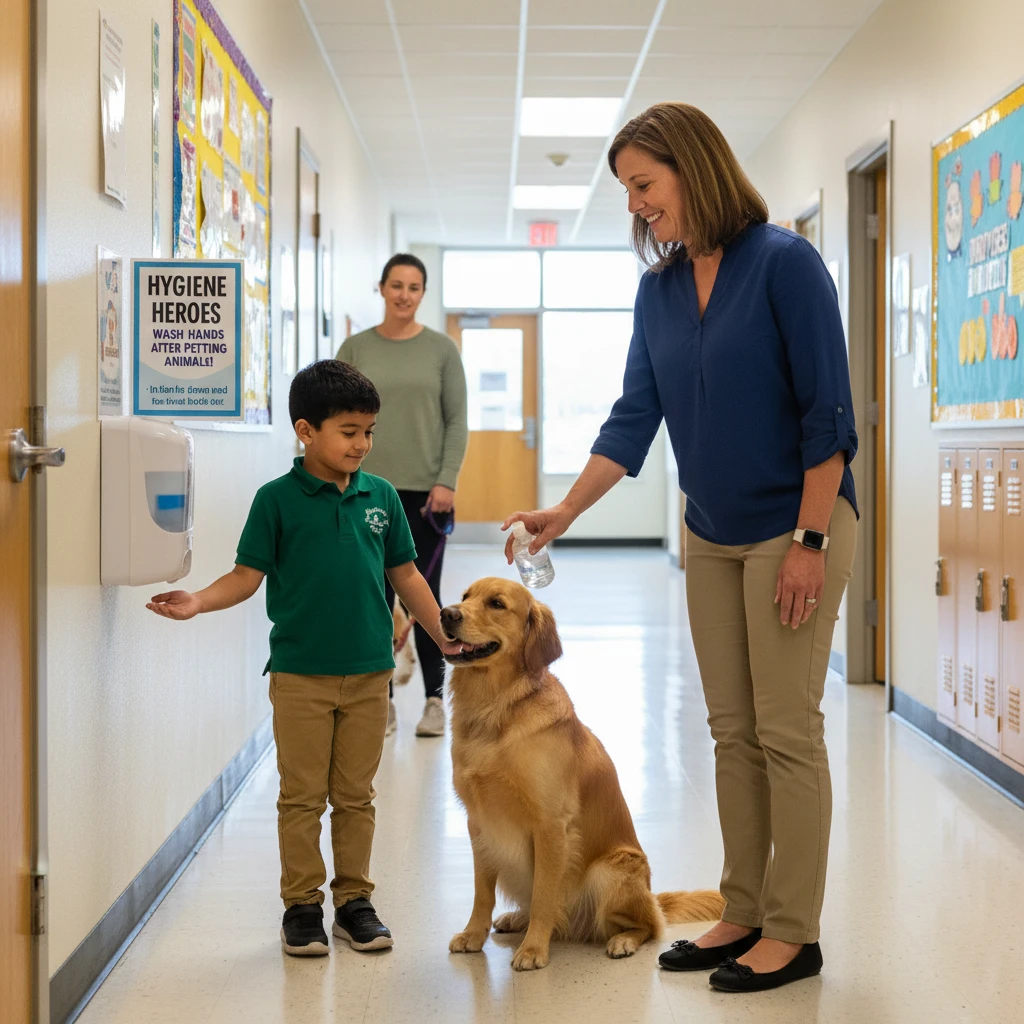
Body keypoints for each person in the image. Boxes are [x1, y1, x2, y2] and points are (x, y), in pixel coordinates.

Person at [502, 103, 858, 994]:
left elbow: (829, 420)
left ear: (693, 169)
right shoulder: (659, 291)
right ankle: (740, 911)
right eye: (627, 191)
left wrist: (811, 541)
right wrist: (565, 513)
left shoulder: (785, 264)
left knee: (785, 730)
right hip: (712, 531)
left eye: (644, 185)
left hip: (796, 523)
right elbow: (635, 417)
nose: (636, 207)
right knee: (731, 732)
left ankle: (794, 930)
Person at [146, 361, 463, 957]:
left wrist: (440, 631)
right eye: (348, 431)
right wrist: (198, 601)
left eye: (368, 431)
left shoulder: (383, 497)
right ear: (305, 430)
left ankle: (354, 903)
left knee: (356, 795)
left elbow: (406, 573)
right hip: (300, 677)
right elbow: (245, 577)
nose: (361, 444)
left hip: (370, 673)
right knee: (300, 798)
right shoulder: (276, 501)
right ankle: (301, 906)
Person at [338, 254, 468, 738]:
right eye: (396, 285)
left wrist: (446, 479)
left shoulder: (441, 350)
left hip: (424, 496)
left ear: (422, 293)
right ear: (382, 288)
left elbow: (457, 421)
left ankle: (435, 701)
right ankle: (383, 703)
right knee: (373, 599)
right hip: (363, 489)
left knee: (425, 599)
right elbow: (336, 417)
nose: (404, 295)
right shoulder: (356, 348)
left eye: (414, 287)